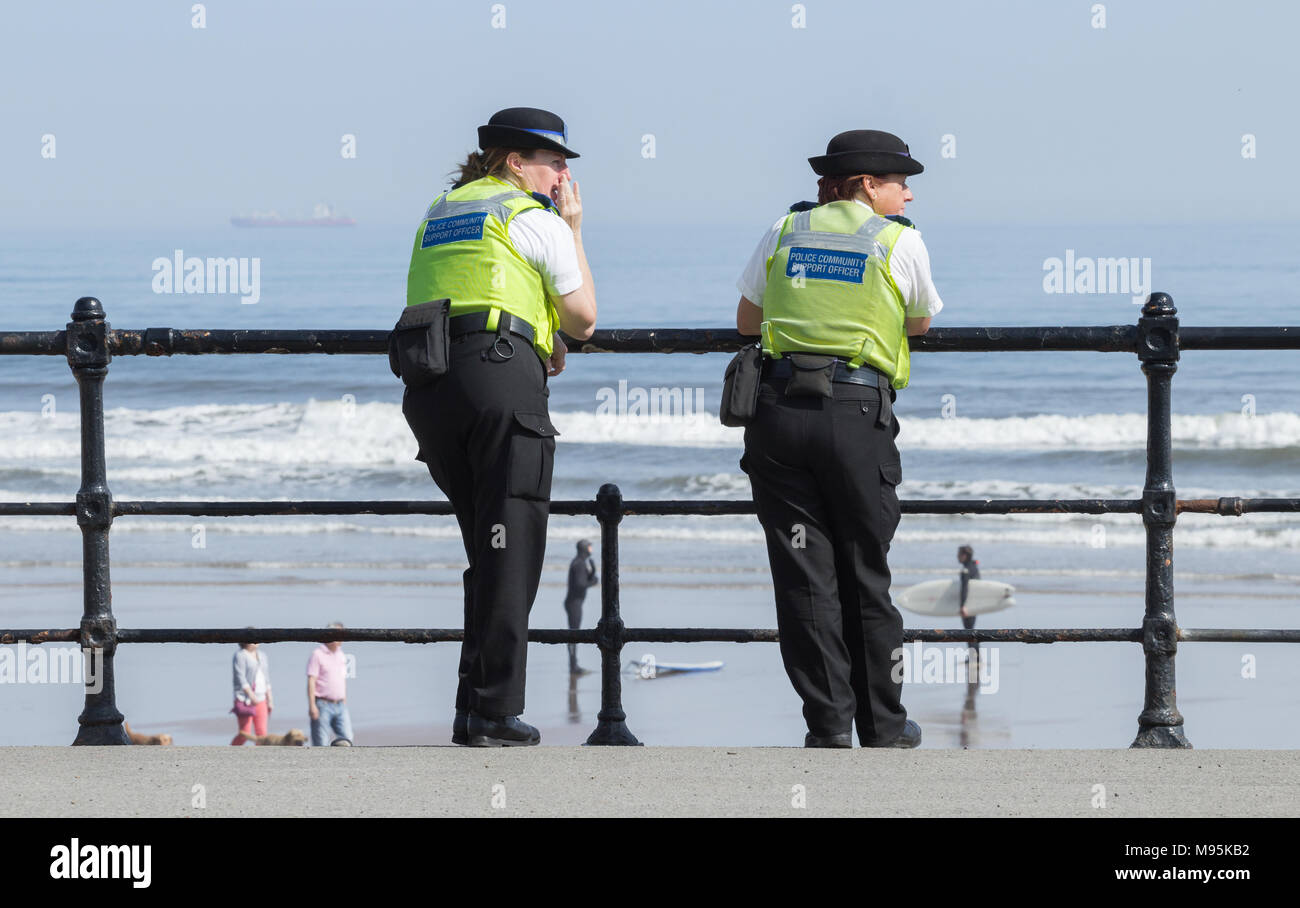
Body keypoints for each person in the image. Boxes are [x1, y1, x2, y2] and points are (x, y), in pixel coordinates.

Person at [735, 129, 943, 748]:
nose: (908, 195)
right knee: (864, 571)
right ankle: (883, 724)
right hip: (854, 414)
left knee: (803, 576)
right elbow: (921, 320)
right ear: (867, 185)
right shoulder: (896, 240)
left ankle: (826, 726)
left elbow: (748, 320)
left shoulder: (784, 231)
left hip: (776, 414)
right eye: (901, 182)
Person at [401, 107, 597, 747]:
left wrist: (535, 333)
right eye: (555, 162)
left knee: (485, 550)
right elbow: (584, 317)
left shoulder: (443, 210)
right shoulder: (530, 215)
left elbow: (480, 285)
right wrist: (571, 226)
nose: (563, 175)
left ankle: (470, 704)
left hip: (432, 386)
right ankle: (493, 713)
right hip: (500, 382)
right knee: (512, 545)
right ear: (517, 163)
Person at [308, 621, 354, 746]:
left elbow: (342, 678)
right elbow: (311, 680)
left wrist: (344, 698)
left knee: (348, 737)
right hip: (323, 704)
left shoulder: (341, 654)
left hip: (339, 703)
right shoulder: (317, 654)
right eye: (339, 635)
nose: (341, 639)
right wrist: (312, 705)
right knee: (321, 741)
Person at [564, 539, 599, 674]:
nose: (591, 549)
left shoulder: (579, 562)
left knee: (574, 634)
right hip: (574, 604)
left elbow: (582, 580)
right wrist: (593, 581)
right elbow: (580, 584)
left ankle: (573, 665)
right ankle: (573, 667)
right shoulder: (578, 564)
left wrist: (592, 571)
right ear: (585, 548)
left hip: (575, 603)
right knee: (573, 635)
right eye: (590, 547)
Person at [230, 638, 272, 745]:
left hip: (261, 698)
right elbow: (240, 677)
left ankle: (261, 757)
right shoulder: (240, 655)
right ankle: (230, 751)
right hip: (245, 699)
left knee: (262, 733)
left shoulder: (262, 655)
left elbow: (266, 678)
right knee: (245, 733)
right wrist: (251, 695)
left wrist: (270, 699)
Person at [958, 545, 981, 661]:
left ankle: (974, 657)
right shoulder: (974, 567)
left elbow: (965, 589)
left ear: (964, 555)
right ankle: (975, 655)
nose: (957, 556)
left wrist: (963, 605)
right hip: (975, 603)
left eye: (959, 554)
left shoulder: (966, 570)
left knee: (968, 631)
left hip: (968, 605)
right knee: (971, 629)